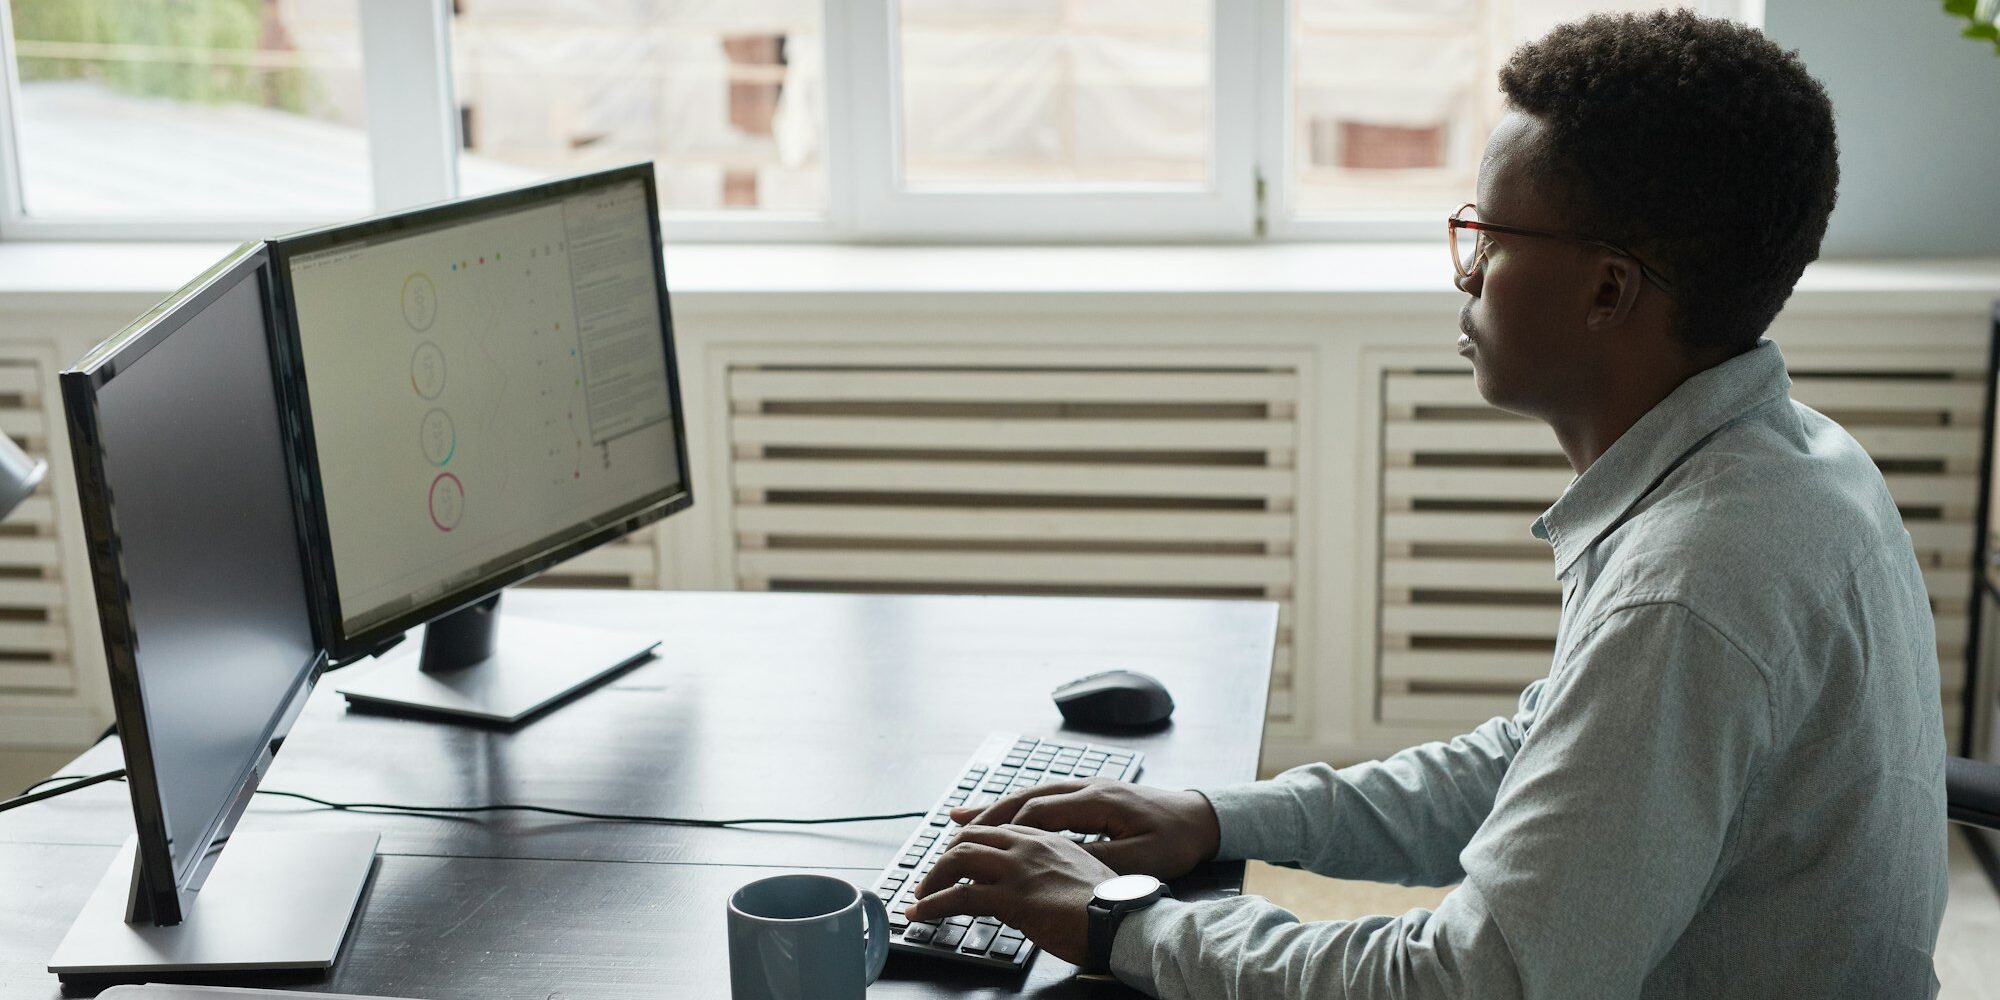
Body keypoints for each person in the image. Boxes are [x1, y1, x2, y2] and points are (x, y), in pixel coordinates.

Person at [903, 9, 1950, 997]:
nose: (1464, 275)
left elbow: (1469, 979)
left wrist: (1115, 919)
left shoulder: (1688, 588)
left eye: (1489, 237)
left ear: (1604, 291)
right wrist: (1214, 819)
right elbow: (1535, 767)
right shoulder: (1794, 457)